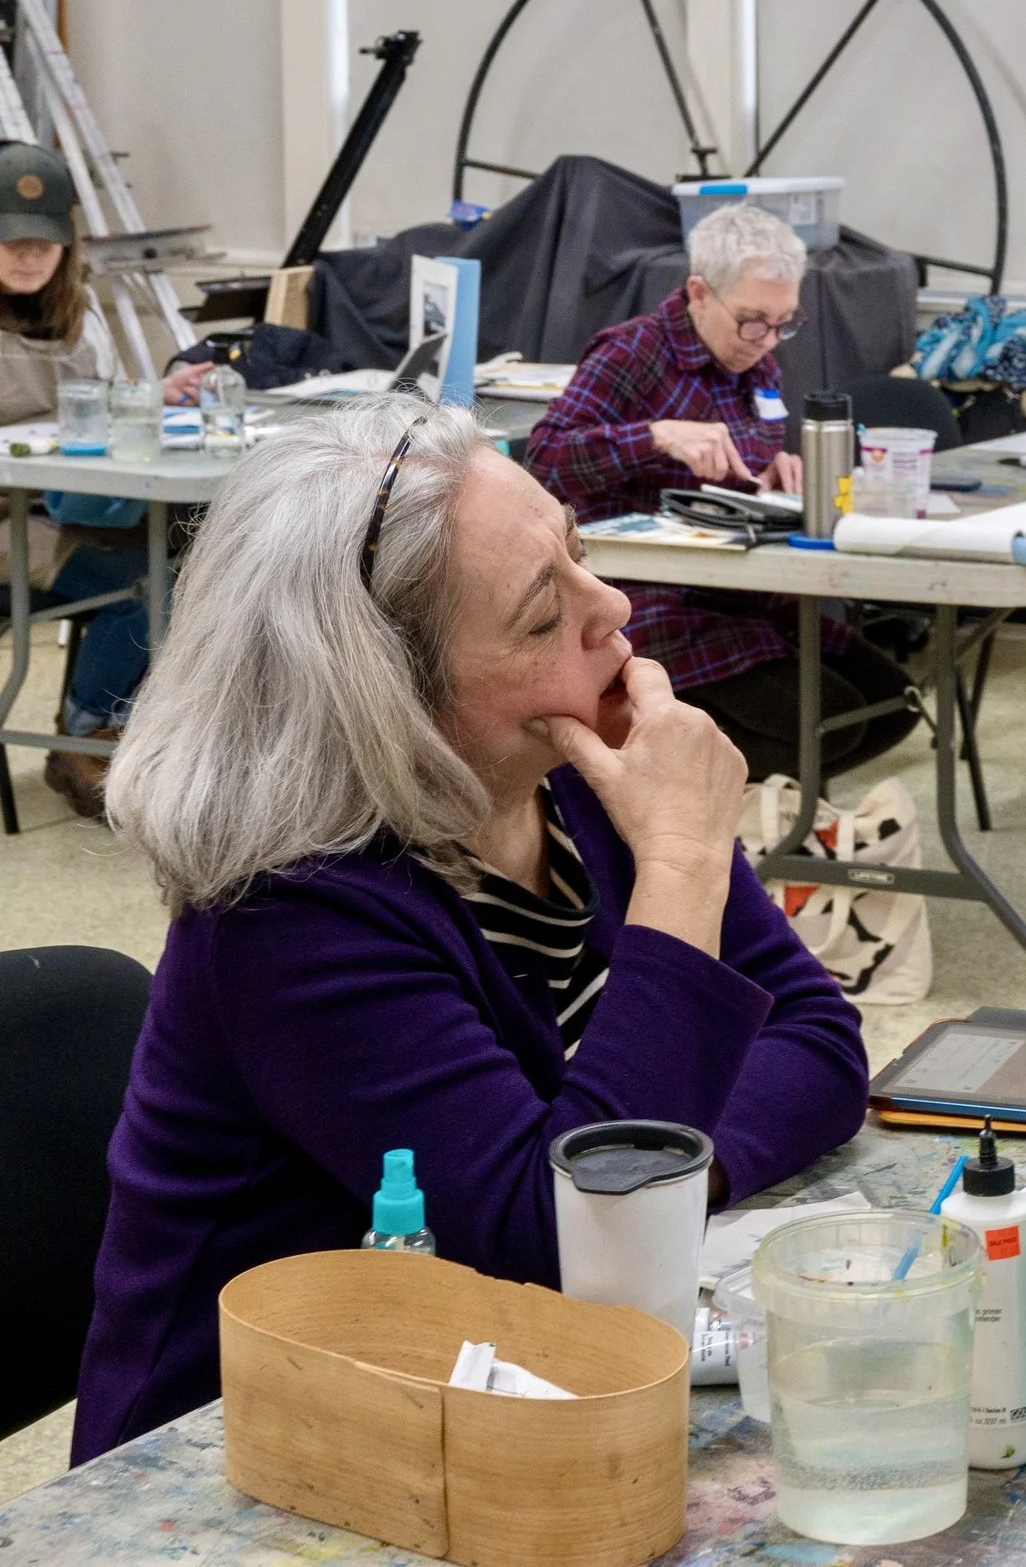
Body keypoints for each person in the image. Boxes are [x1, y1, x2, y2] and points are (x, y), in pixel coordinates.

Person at [73, 400, 868, 1459]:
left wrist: (663, 1177)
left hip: (483, 1403)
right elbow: (556, 1243)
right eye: (544, 616)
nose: (611, 607)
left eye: (580, 554)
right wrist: (681, 866)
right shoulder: (291, 910)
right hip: (252, 1458)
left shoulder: (575, 770)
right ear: (388, 700)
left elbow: (818, 1041)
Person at [527, 202, 915, 784]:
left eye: (785, 322)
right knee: (829, 722)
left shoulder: (758, 367)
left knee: (893, 703)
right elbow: (543, 461)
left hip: (744, 590)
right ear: (699, 293)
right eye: (753, 320)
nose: (768, 340)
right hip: (653, 598)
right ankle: (673, 800)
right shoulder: (631, 354)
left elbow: (745, 462)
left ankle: (751, 815)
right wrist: (653, 436)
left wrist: (772, 471)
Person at [0, 141, 210, 817]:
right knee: (143, 585)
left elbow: (109, 406)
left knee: (193, 556)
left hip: (62, 505)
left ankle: (140, 728)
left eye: (44, 241)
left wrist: (156, 395)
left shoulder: (78, 316)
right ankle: (83, 735)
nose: (29, 255)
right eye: (10, 240)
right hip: (9, 520)